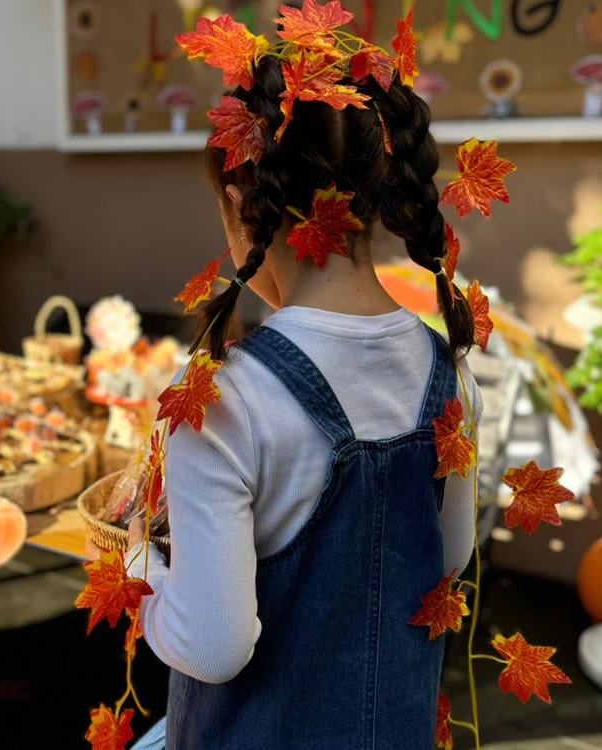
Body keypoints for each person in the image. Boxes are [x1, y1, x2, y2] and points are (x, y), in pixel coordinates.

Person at [124, 52, 482, 749]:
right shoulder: (451, 372)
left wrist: (141, 564)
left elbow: (213, 647)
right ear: (376, 197)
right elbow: (449, 556)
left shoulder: (224, 402)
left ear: (240, 206)